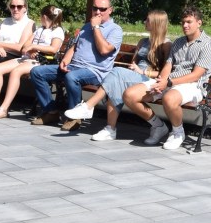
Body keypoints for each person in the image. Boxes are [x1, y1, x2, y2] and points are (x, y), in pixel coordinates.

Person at [63, 10, 171, 142]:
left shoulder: (166, 44)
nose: (144, 22)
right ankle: (109, 128)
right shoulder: (143, 41)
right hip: (135, 77)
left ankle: (89, 108)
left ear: (156, 23)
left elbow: (165, 74)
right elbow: (133, 63)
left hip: (151, 81)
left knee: (116, 73)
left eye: (147, 20)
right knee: (115, 81)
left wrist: (143, 72)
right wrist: (133, 69)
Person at [122, 5, 211, 150]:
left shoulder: (208, 44)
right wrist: (162, 81)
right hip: (170, 81)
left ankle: (178, 133)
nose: (185, 25)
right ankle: (158, 126)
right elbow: (168, 65)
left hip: (194, 85)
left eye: (189, 22)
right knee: (129, 95)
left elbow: (196, 75)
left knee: (169, 98)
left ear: (199, 23)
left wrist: (168, 82)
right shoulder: (178, 42)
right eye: (183, 22)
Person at [30, 0, 123, 128]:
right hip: (74, 67)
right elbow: (75, 46)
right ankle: (50, 112)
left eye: (102, 9)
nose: (97, 12)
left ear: (110, 10)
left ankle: (75, 117)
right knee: (37, 72)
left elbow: (104, 50)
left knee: (72, 77)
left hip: (95, 71)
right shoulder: (86, 26)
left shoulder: (115, 29)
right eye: (95, 8)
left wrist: (96, 27)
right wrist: (66, 59)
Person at [0, 5, 65, 118]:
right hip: (28, 58)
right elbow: (26, 45)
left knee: (16, 71)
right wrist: (31, 49)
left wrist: (34, 47)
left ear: (44, 16)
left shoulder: (57, 31)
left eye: (40, 16)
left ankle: (4, 108)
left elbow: (53, 49)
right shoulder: (40, 29)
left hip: (43, 61)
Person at [0, 0, 34, 66]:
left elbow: (20, 48)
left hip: (13, 56)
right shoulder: (4, 21)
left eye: (19, 6)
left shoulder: (29, 23)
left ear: (25, 8)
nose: (15, 9)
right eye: (12, 6)